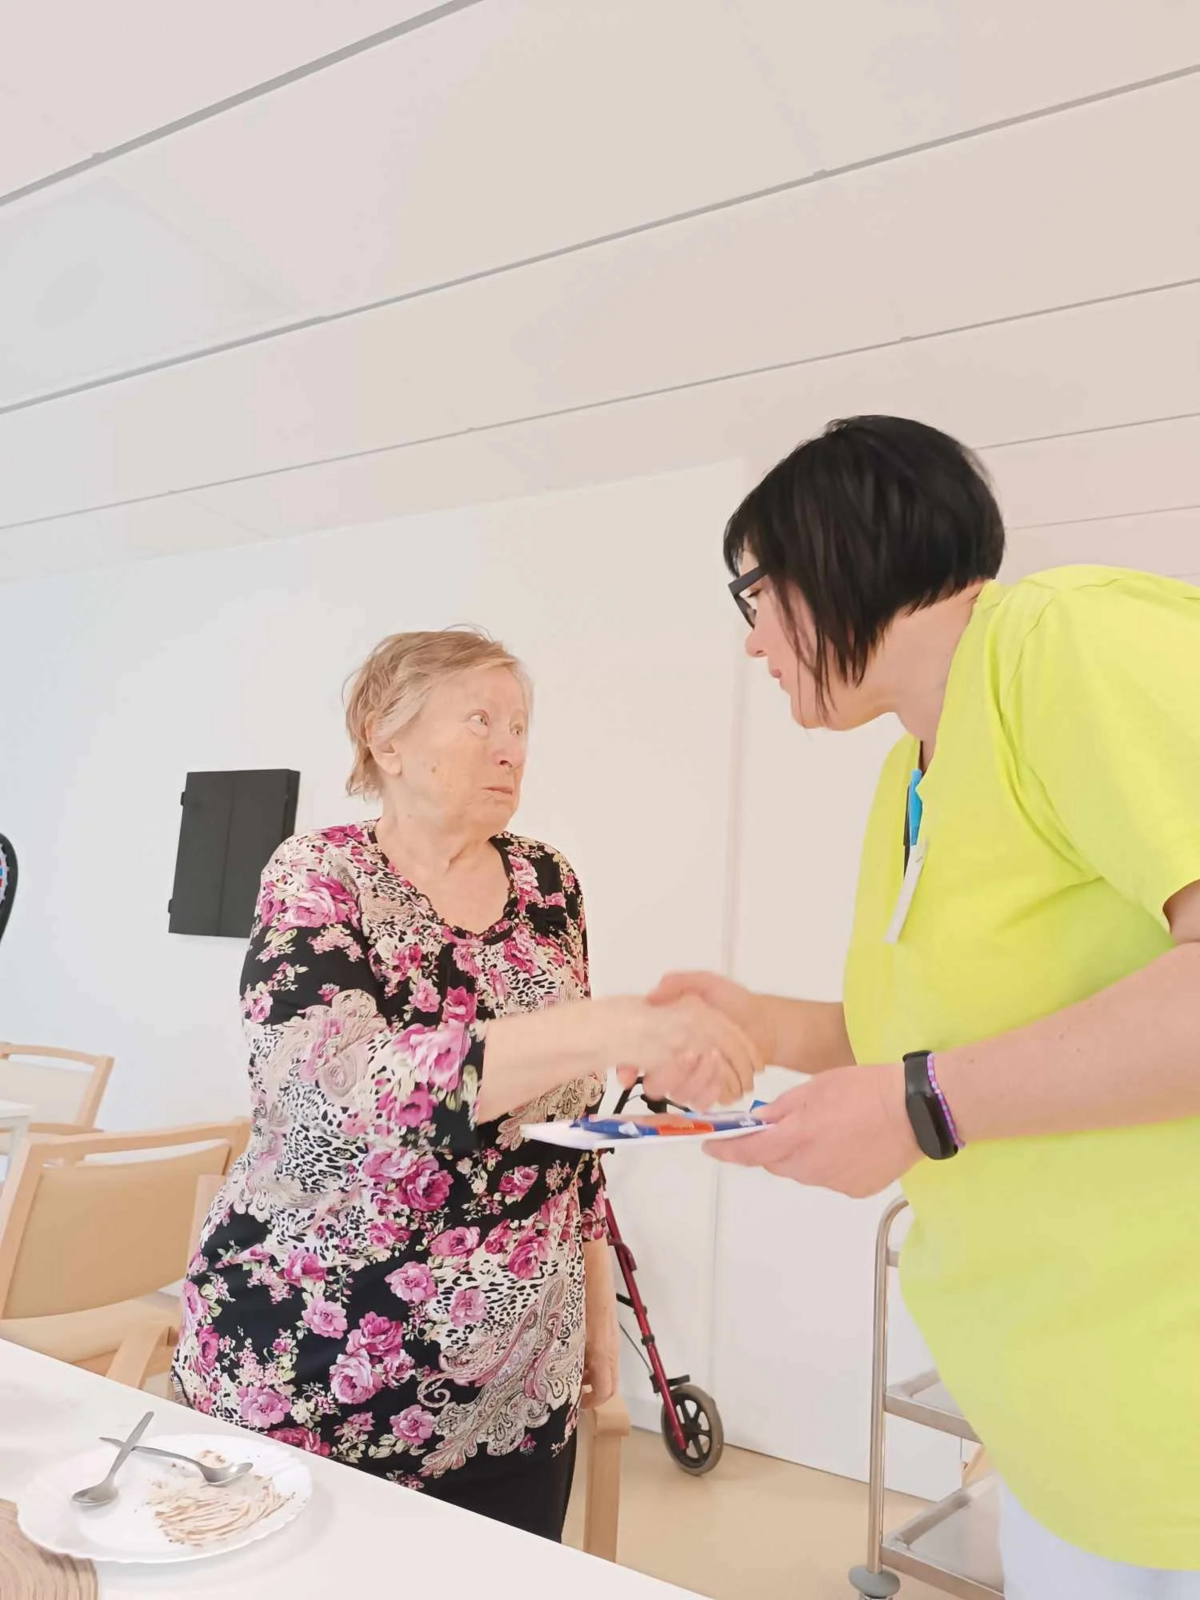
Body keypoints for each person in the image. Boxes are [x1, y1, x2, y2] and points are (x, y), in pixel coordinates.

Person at [656, 417, 1200, 1600]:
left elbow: (933, 1078)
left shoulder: (1060, 639)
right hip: (1065, 1410)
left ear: (837, 550)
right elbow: (927, 1032)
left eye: (753, 594)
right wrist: (763, 1026)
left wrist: (922, 1106)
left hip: (1174, 1396)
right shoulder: (912, 770)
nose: (752, 640)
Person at [174, 627, 757, 1541]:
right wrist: (603, 1026)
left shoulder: (550, 884)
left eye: (520, 725)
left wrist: (592, 1304)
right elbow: (332, 1097)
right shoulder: (321, 874)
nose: (510, 747)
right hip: (316, 1363)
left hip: (518, 1381)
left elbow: (570, 1131)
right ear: (386, 738)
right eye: (481, 720)